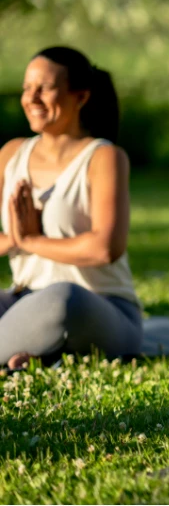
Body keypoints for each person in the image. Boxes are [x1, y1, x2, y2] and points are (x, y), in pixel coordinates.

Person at [0, 46, 142, 369]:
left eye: (44, 88)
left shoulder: (103, 157)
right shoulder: (11, 155)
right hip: (22, 299)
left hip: (98, 307)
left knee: (63, 300)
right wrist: (16, 238)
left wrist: (33, 241)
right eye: (27, 88)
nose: (31, 98)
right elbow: (9, 239)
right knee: (40, 304)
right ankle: (30, 351)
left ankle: (28, 349)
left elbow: (106, 248)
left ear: (80, 97)